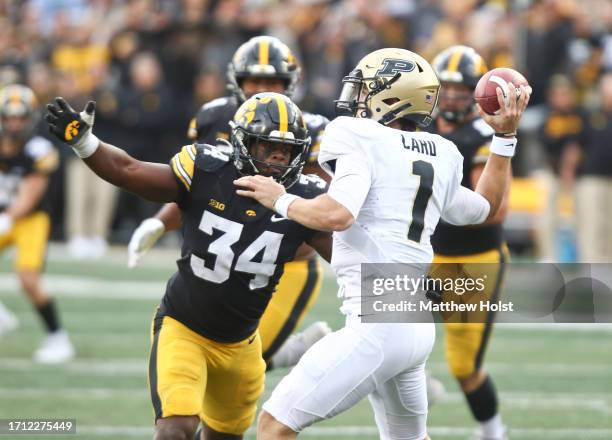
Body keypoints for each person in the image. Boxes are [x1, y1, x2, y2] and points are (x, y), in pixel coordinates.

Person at [235, 48, 529, 439]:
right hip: (415, 327)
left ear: (391, 96)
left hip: (376, 326)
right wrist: (504, 138)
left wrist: (280, 199)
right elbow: (485, 208)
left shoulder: (355, 133)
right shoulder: (442, 151)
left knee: (274, 426)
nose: (357, 98)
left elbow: (338, 214)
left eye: (366, 90)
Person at [45, 91, 331, 440]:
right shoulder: (209, 171)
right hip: (185, 329)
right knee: (175, 430)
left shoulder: (302, 199)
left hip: (242, 346)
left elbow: (351, 256)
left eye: (286, 150)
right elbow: (128, 169)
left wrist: (410, 293)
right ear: (243, 144)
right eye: (267, 147)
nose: (278, 158)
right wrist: (85, 141)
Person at [127, 35, 331, 370]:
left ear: (290, 84)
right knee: (217, 347)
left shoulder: (309, 128)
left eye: (273, 81)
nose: (262, 88)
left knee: (245, 354)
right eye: (254, 80)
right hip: (224, 250)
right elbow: (193, 186)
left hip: (285, 257)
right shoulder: (213, 117)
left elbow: (317, 203)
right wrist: (160, 221)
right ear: (237, 81)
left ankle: (317, 352)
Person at [426, 45, 510, 440]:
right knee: (383, 330)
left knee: (464, 367)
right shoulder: (418, 127)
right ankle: (415, 382)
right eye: (449, 87)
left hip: (472, 260)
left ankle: (493, 432)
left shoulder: (482, 133)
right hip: (424, 252)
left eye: (464, 88)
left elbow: (491, 208)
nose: (455, 95)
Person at [0, 84, 75, 363]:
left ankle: (58, 337)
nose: (15, 124)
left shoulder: (38, 149)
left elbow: (31, 193)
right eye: (9, 117)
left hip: (29, 218)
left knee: (28, 279)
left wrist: (9, 217)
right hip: (4, 215)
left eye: (20, 117)